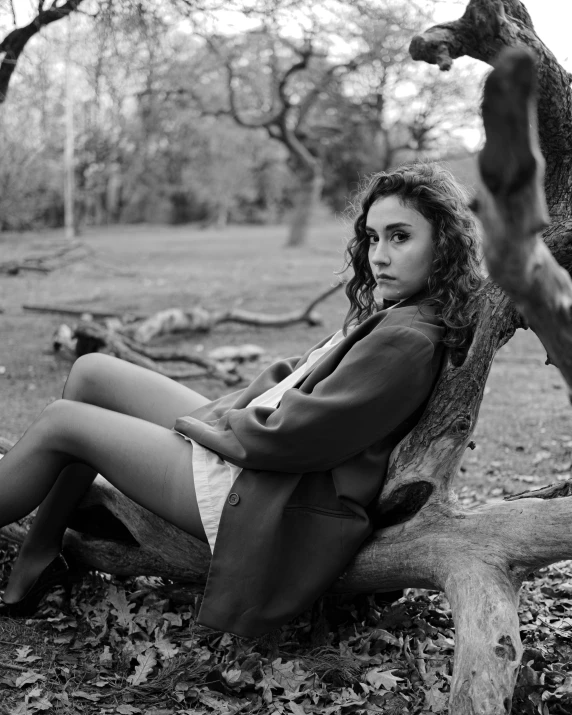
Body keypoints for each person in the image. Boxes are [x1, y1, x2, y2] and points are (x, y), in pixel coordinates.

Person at [0, 162, 482, 638]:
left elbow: (295, 437)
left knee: (62, 423)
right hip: (253, 445)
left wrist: (203, 430)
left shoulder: (409, 338)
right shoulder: (404, 313)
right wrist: (221, 417)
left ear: (443, 244)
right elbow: (297, 381)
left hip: (258, 488)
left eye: (400, 237)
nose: (379, 255)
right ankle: (39, 557)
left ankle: (34, 560)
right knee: (91, 372)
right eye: (373, 237)